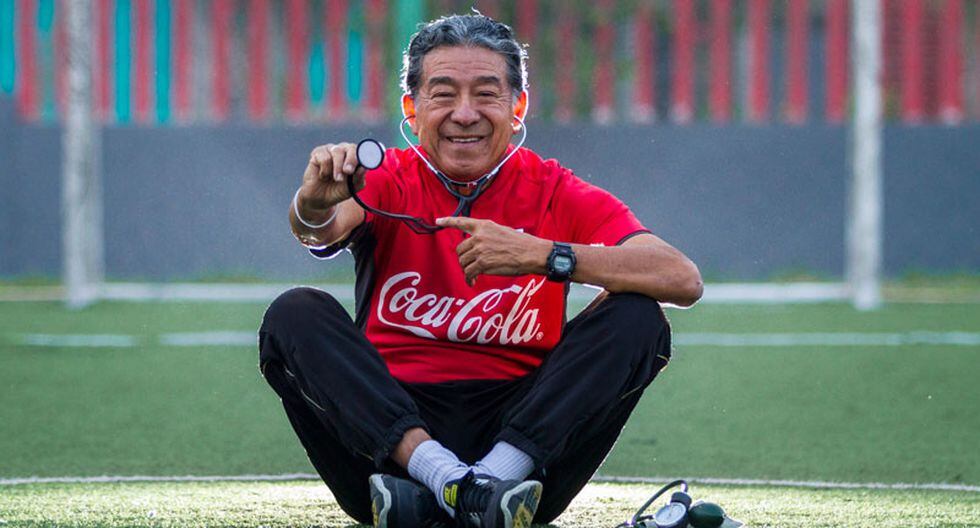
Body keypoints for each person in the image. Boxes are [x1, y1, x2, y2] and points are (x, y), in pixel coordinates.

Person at [258, 13, 702, 528]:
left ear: (517, 108)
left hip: (525, 447)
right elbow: (320, 229)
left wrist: (545, 255)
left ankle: (490, 480)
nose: (464, 114)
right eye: (443, 93)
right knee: (294, 313)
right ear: (413, 108)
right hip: (388, 443)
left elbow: (681, 279)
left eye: (486, 94)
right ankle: (453, 483)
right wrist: (312, 201)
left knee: (636, 316)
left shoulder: (552, 187)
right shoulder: (389, 176)